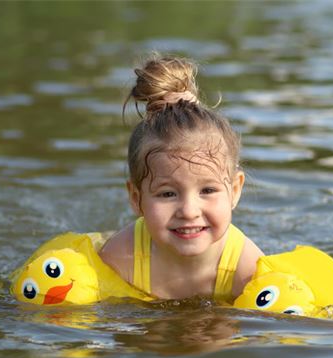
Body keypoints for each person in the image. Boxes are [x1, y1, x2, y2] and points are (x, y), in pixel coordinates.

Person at [99, 54, 264, 303]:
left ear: (235, 190)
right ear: (136, 198)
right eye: (167, 194)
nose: (188, 211)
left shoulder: (247, 271)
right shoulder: (119, 258)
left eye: (207, 190)